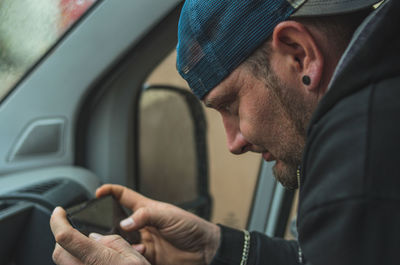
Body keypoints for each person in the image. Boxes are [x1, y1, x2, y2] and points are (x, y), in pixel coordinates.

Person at [50, 0, 400, 264]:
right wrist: (215, 246)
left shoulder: (359, 168)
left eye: (231, 104)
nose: (234, 142)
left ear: (300, 54)